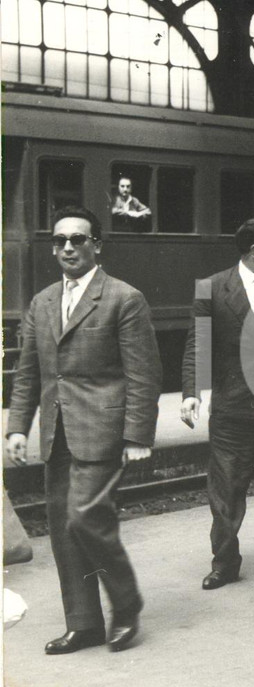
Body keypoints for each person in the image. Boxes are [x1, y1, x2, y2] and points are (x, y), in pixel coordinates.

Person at [5, 205, 162, 654]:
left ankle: (126, 604)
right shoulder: (43, 302)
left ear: (96, 245)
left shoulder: (123, 298)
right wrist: (18, 428)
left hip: (103, 431)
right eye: (60, 241)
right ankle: (85, 623)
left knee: (86, 518)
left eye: (78, 239)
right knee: (62, 529)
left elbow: (143, 374)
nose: (68, 248)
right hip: (58, 433)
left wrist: (137, 436)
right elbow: (30, 374)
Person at [180, 217, 254, 589]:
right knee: (227, 488)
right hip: (233, 405)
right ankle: (224, 562)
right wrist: (191, 393)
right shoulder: (211, 289)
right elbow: (198, 344)